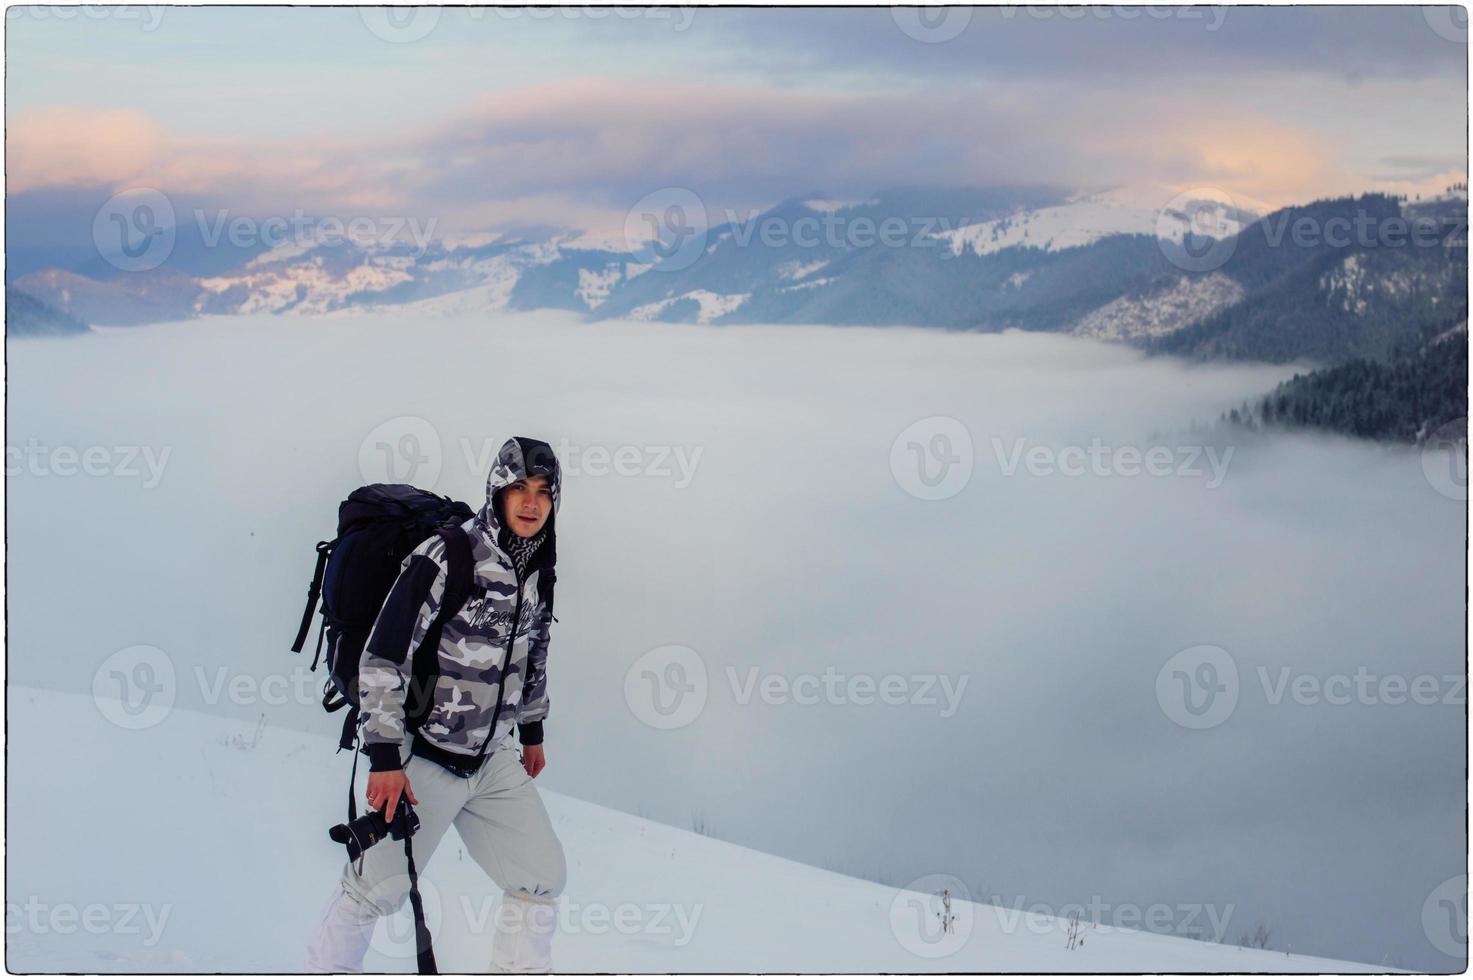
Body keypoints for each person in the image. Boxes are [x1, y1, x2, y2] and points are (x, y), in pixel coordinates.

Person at [307, 436, 568, 973]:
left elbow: (534, 651)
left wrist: (533, 731)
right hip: (422, 755)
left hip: (491, 759)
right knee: (371, 891)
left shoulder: (539, 566)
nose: (530, 503)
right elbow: (383, 657)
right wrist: (384, 758)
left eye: (544, 492)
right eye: (518, 487)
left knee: (541, 876)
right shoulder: (447, 555)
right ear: (497, 489)